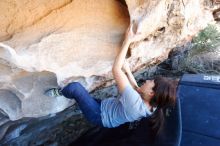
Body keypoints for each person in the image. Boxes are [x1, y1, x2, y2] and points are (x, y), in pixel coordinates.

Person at [45, 23, 178, 134]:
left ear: (151, 93)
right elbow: (136, 89)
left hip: (99, 115)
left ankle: (60, 92)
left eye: (151, 82)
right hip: (106, 107)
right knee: (86, 99)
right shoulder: (153, 104)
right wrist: (127, 70)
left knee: (75, 88)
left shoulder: (135, 105)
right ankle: (80, 103)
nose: (148, 80)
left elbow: (115, 69)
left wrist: (127, 41)